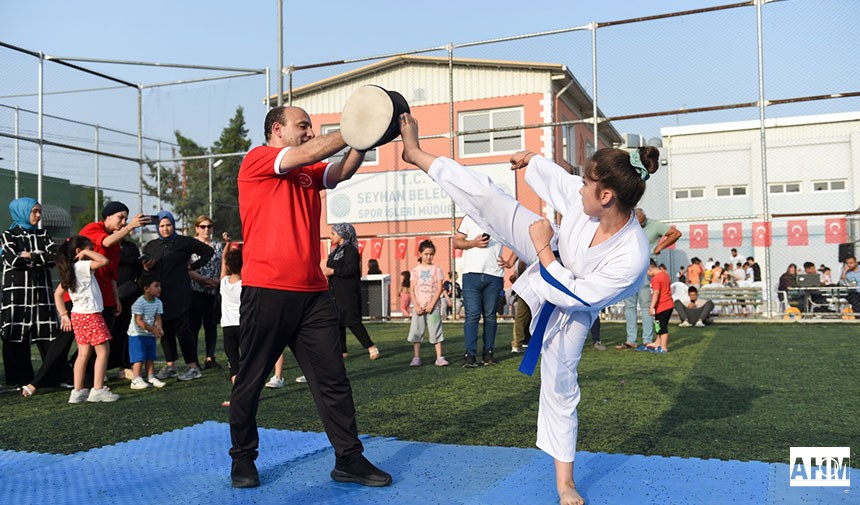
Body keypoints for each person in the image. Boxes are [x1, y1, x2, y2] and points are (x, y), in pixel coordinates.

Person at [399, 113, 655, 505]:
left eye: (588, 182)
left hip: (572, 306)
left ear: (607, 197)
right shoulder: (586, 198)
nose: (581, 187)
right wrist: (533, 160)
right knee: (489, 197)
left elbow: (577, 296)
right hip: (548, 258)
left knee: (560, 385)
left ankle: (564, 482)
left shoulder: (632, 255)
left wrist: (540, 246)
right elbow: (561, 183)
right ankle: (417, 154)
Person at [230, 105, 390, 489]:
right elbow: (309, 152)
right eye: (302, 126)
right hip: (266, 290)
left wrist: (366, 138)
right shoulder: (258, 158)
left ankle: (348, 458)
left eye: (311, 128)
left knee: (333, 379)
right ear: (276, 130)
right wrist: (356, 126)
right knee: (250, 380)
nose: (308, 132)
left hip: (313, 294)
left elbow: (341, 170)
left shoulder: (306, 172)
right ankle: (243, 461)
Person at [76, 201, 148, 380]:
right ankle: (76, 378)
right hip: (86, 297)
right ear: (107, 216)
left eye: (126, 218)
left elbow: (112, 274)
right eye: (120, 217)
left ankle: (93, 379)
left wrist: (115, 298)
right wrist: (131, 226)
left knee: (103, 341)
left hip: (105, 296)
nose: (123, 222)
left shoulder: (118, 241)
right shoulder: (93, 228)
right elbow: (105, 242)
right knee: (86, 345)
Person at [2, 197, 64, 395]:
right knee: (15, 335)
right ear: (23, 212)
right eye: (34, 211)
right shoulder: (8, 235)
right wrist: (39, 259)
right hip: (16, 295)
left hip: (41, 293)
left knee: (48, 335)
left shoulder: (43, 234)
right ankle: (19, 379)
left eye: (39, 211)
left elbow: (55, 258)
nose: (38, 215)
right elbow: (13, 261)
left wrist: (31, 256)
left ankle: (52, 378)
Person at [145, 211, 214, 381]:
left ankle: (193, 367)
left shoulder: (184, 242)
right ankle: (171, 366)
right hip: (160, 295)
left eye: (168, 225)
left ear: (173, 225)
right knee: (165, 331)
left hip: (180, 293)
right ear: (157, 227)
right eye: (162, 226)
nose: (165, 228)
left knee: (183, 330)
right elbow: (144, 269)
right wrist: (146, 268)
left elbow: (208, 252)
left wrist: (192, 267)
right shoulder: (151, 246)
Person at [53, 235, 119, 403]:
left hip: (77, 315)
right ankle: (97, 389)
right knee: (103, 351)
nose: (93, 252)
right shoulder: (81, 265)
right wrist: (86, 253)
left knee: (84, 353)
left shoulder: (70, 269)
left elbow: (58, 294)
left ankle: (78, 391)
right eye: (90, 248)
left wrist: (64, 316)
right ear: (78, 251)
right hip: (91, 314)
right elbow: (104, 261)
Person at [616, 208, 680, 350]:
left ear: (644, 219)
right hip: (629, 270)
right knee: (630, 306)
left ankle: (647, 340)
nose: (639, 226)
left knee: (646, 306)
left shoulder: (654, 225)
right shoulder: (626, 226)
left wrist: (660, 246)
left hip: (646, 270)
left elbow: (676, 233)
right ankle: (631, 340)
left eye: (642, 223)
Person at [454, 215, 508, 367]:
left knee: (490, 316)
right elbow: (456, 242)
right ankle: (470, 354)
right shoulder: (469, 217)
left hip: (494, 274)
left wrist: (510, 261)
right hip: (472, 273)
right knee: (472, 315)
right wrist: (473, 243)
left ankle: (488, 353)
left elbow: (519, 242)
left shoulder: (501, 219)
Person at [324, 223, 379, 360]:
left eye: (333, 234)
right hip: (335, 292)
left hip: (347, 292)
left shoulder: (350, 250)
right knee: (337, 321)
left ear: (342, 235)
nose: (331, 236)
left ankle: (371, 347)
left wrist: (333, 271)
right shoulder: (336, 251)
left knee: (352, 320)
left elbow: (351, 269)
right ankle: (342, 350)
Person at [188, 215, 224, 370]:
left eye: (209, 226)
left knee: (211, 326)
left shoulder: (217, 246)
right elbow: (187, 268)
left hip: (213, 291)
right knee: (194, 326)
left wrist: (218, 281)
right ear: (197, 228)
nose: (206, 229)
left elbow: (223, 266)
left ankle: (210, 357)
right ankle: (193, 360)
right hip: (195, 290)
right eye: (202, 227)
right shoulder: (190, 245)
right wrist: (204, 280)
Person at [407, 239, 448, 367]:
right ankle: (416, 357)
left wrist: (431, 304)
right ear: (420, 254)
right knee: (417, 331)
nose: (428, 257)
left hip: (433, 307)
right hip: (418, 306)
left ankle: (439, 357)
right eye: (426, 254)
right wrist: (416, 305)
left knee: (435, 330)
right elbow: (412, 290)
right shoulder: (415, 271)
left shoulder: (437, 269)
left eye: (431, 254)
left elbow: (439, 288)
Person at [110, 237, 143, 383]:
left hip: (129, 294)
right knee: (107, 332)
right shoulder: (106, 244)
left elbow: (138, 268)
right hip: (110, 294)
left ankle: (124, 366)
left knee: (126, 331)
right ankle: (100, 368)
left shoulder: (130, 246)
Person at [127, 273, 167, 390]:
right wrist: (153, 329)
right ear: (146, 289)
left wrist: (159, 328)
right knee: (138, 357)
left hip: (149, 334)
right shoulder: (138, 303)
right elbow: (139, 321)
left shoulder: (158, 302)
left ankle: (151, 377)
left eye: (159, 286)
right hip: (137, 335)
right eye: (156, 286)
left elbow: (158, 318)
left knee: (150, 356)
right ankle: (136, 379)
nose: (159, 288)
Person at [220, 245, 242, 407]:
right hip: (244, 327)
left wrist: (226, 245)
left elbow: (223, 262)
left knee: (234, 363)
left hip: (228, 327)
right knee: (248, 362)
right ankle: (249, 395)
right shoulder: (246, 285)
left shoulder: (224, 283)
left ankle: (238, 397)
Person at [645, 260, 672, 353]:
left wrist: (651, 306)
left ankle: (663, 347)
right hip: (668, 305)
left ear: (650, 269)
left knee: (662, 326)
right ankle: (657, 342)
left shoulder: (655, 279)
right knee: (658, 325)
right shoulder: (665, 275)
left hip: (662, 306)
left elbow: (656, 292)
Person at [510, 260, 531, 353]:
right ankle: (517, 343)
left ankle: (519, 342)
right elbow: (522, 264)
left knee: (523, 315)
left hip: (526, 283)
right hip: (528, 283)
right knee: (523, 315)